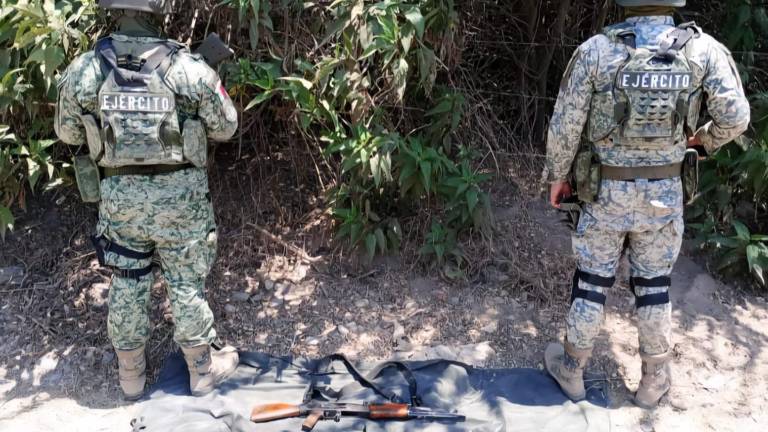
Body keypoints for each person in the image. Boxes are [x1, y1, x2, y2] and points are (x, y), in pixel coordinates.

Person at [543, 0, 749, 408]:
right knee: (654, 286)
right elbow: (736, 117)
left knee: (591, 281)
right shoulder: (702, 50)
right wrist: (701, 141)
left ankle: (572, 370)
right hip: (663, 195)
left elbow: (565, 126)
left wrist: (557, 176)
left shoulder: (597, 50)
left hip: (604, 193)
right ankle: (653, 381)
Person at [55, 0, 239, 400]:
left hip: (120, 199)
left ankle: (131, 376)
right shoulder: (188, 68)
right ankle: (202, 371)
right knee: (185, 280)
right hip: (181, 200)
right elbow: (226, 126)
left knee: (127, 279)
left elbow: (67, 133)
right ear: (158, 10)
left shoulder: (87, 68)